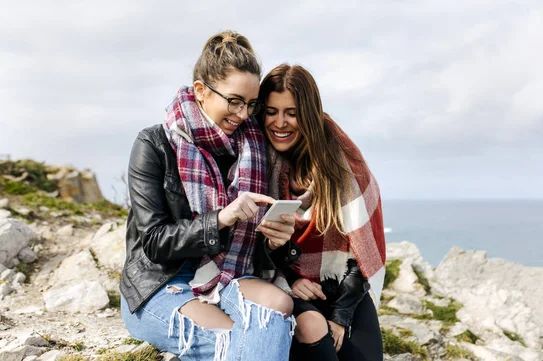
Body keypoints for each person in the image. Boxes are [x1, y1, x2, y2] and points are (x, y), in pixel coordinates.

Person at [120, 31, 297, 361]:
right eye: (234, 101)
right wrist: (222, 218)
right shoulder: (154, 144)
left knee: (279, 306)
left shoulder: (253, 148)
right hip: (162, 280)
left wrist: (275, 241)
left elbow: (251, 249)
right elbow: (154, 242)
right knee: (233, 339)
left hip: (230, 274)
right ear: (201, 91)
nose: (243, 115)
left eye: (250, 104)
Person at [257, 64, 386, 361]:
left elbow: (363, 251)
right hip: (287, 286)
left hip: (342, 286)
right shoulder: (257, 159)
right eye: (272, 111)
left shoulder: (343, 162)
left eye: (291, 113)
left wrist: (341, 316)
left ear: (309, 114)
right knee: (315, 339)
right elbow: (252, 242)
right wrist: (290, 279)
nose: (280, 123)